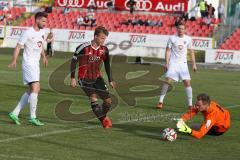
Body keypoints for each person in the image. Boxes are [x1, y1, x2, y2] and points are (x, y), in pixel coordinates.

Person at [70, 26, 116, 129]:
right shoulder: (83, 47)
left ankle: (102, 116)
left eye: (105, 38)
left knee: (108, 102)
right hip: (84, 78)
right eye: (102, 38)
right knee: (93, 98)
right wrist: (73, 77)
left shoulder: (104, 50)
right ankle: (104, 121)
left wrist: (111, 80)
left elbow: (107, 65)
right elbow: (73, 61)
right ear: (95, 37)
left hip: (97, 78)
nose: (103, 41)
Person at [8, 12, 48, 126]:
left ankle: (14, 113)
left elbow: (40, 45)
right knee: (35, 87)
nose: (45, 23)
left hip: (36, 64)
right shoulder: (28, 32)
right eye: (43, 21)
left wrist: (44, 57)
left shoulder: (42, 32)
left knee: (33, 89)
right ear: (37, 20)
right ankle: (33, 117)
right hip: (28, 63)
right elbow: (18, 46)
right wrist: (14, 60)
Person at [156, 23, 197, 109]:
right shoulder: (172, 38)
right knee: (167, 81)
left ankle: (190, 105)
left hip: (183, 64)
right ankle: (160, 102)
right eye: (179, 28)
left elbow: (191, 52)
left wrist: (194, 64)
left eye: (182, 29)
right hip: (173, 63)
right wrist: (167, 63)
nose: (180, 30)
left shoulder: (188, 39)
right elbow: (167, 51)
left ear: (185, 30)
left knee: (187, 83)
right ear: (177, 29)